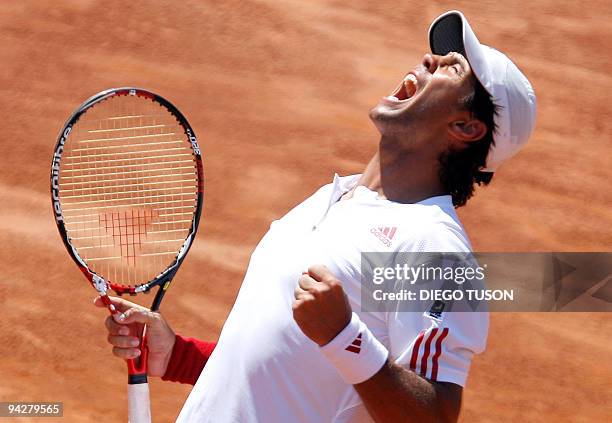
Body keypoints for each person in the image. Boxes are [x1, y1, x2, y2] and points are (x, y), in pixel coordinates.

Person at [97, 10, 536, 423]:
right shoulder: (333, 197)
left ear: (466, 128)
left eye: (450, 68)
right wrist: (178, 355)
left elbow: (434, 414)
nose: (428, 59)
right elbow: (289, 374)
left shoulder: (432, 248)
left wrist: (345, 336)